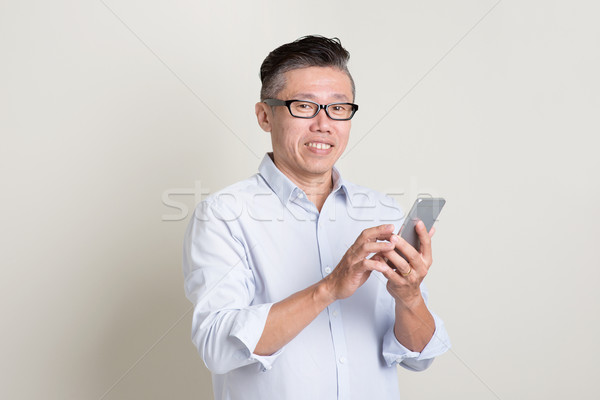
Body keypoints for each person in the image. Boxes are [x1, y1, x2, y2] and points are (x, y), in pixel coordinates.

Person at [182, 35, 450, 400]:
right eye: (304, 106)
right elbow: (216, 346)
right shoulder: (223, 216)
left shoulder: (380, 212)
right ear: (265, 115)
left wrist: (410, 296)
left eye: (338, 109)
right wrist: (328, 288)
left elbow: (418, 358)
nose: (324, 124)